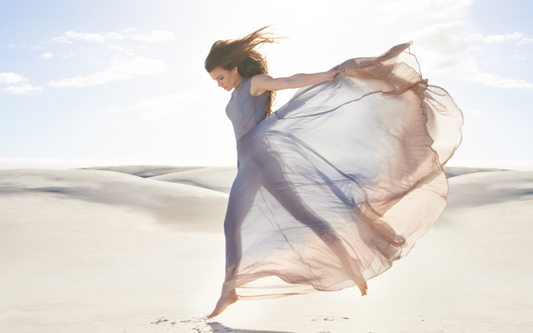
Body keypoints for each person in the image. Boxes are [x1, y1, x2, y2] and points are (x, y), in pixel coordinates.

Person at [204, 26, 463, 319]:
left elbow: (288, 81)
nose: (219, 84)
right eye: (215, 80)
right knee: (234, 224)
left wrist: (325, 76)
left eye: (221, 77)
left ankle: (352, 267)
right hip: (247, 166)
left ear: (234, 68)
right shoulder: (235, 94)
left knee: (304, 216)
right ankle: (230, 289)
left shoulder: (254, 83)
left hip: (264, 160)